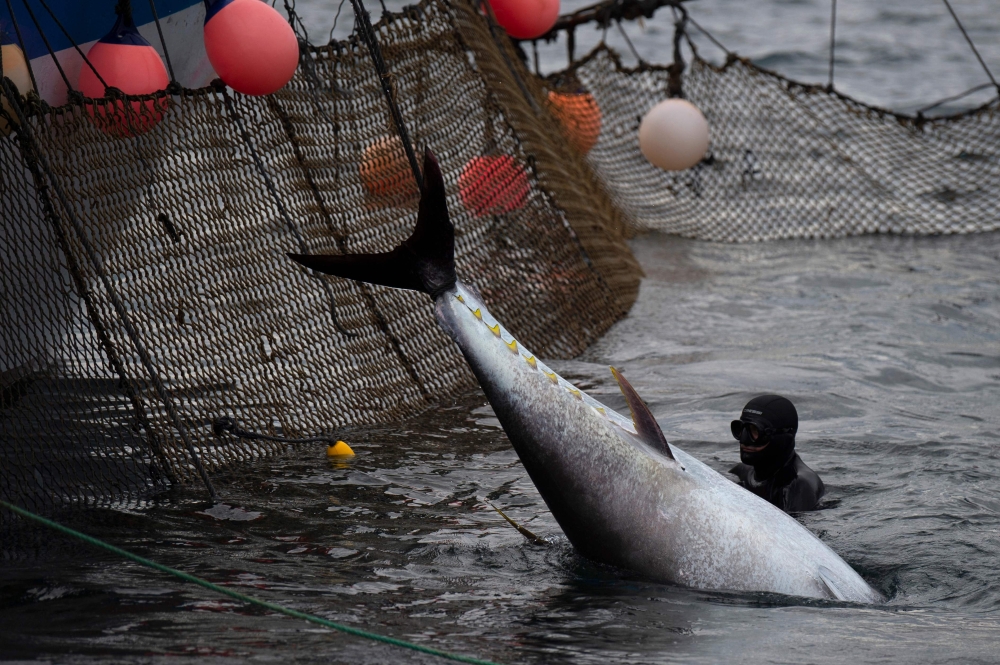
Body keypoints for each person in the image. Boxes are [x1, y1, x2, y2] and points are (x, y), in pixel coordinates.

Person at [728, 395, 825, 512]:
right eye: (740, 429)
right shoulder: (740, 473)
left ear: (783, 437)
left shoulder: (798, 487)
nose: (744, 439)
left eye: (755, 431)